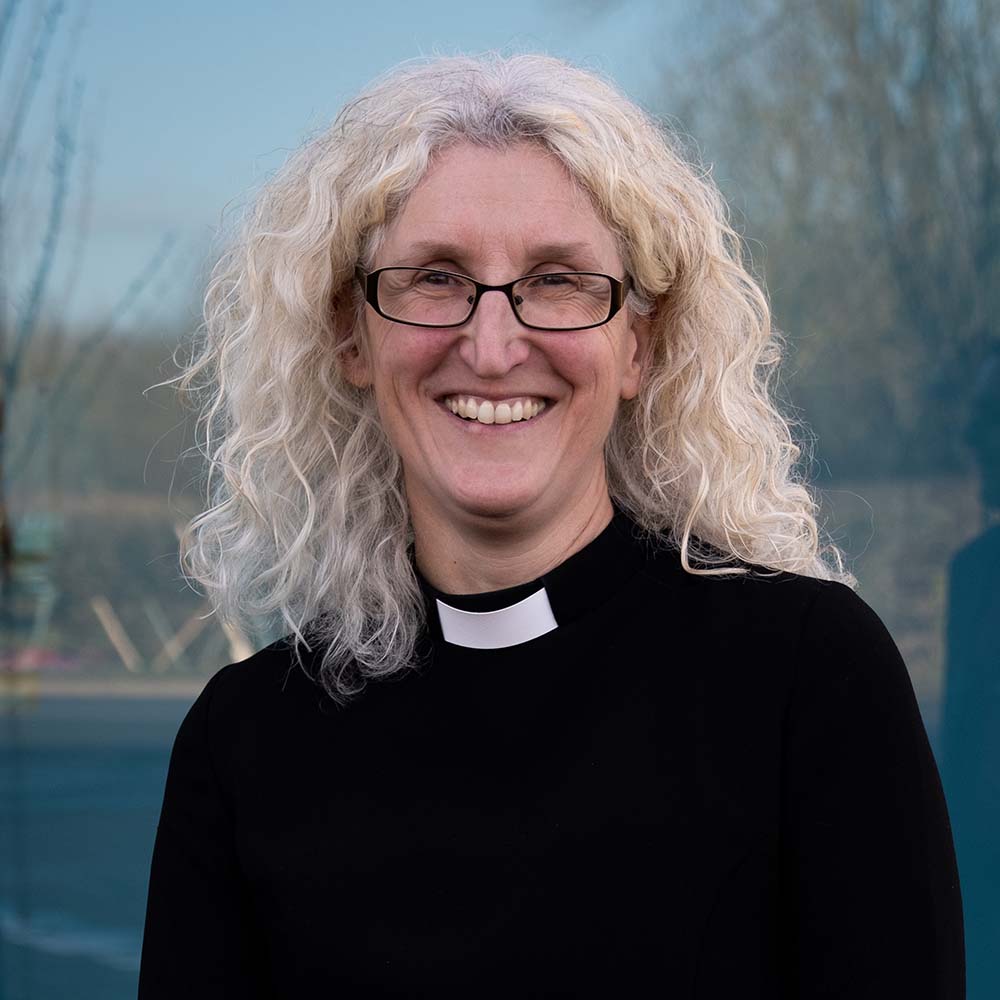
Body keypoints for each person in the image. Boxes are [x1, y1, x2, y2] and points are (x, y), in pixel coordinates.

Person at [138, 52, 964, 998]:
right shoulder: (245, 743)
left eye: (560, 280)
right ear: (349, 339)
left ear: (639, 347)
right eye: (435, 278)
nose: (491, 348)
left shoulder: (808, 677)